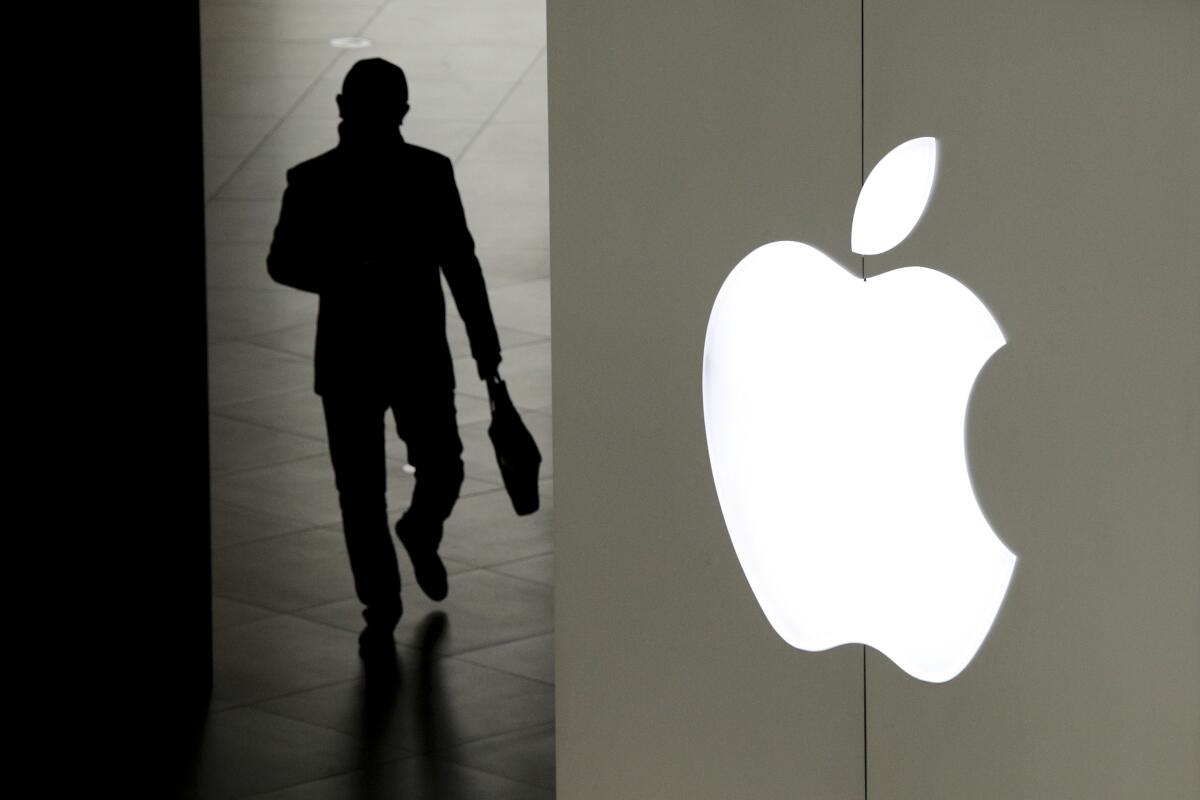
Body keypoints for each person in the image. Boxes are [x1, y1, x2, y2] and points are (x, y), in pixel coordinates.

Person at [266, 58, 502, 658]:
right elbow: (461, 265)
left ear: (341, 105)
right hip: (412, 350)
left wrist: (343, 274)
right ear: (403, 110)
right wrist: (484, 347)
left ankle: (388, 591)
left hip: (353, 356)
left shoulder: (315, 179)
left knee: (367, 489)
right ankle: (395, 577)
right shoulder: (425, 173)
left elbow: (285, 263)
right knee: (428, 469)